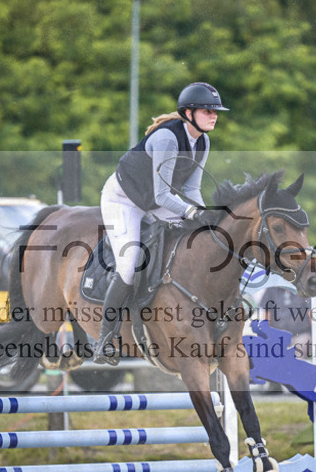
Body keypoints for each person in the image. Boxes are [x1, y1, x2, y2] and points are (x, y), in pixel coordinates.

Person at [92, 82, 229, 365]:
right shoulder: (167, 139)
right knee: (129, 264)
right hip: (124, 200)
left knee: (201, 238)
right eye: (208, 111)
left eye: (216, 112)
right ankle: (105, 339)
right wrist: (192, 213)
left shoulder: (202, 141)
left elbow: (191, 190)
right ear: (188, 112)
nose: (214, 116)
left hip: (154, 202)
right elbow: (162, 194)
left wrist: (205, 216)